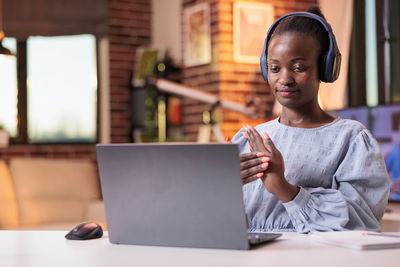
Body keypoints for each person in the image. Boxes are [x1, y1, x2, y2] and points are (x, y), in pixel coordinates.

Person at [231, 7, 390, 233]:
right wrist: (220, 186)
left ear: (326, 68)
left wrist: (284, 189)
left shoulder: (351, 139)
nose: (284, 79)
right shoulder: (248, 139)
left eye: (298, 67)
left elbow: (362, 221)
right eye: (275, 68)